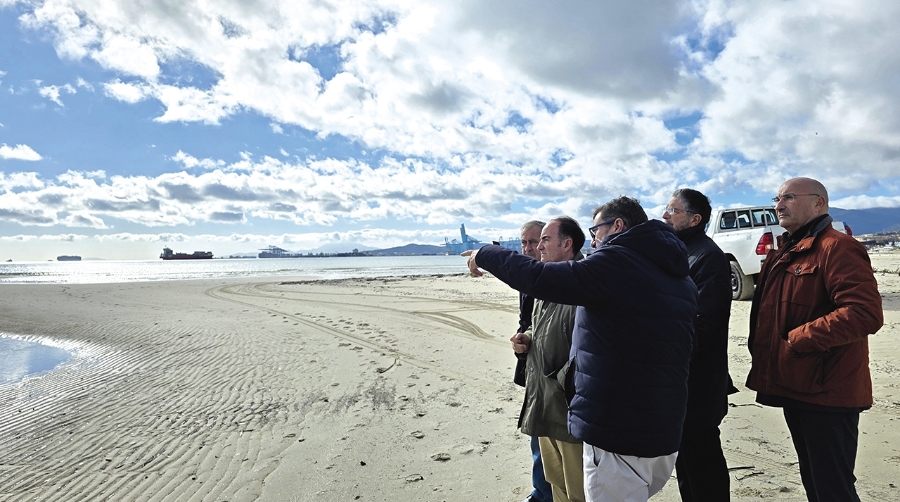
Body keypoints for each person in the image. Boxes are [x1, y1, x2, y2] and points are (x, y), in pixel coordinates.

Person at [466, 196, 697, 502]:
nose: (594, 241)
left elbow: (537, 277)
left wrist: (485, 254)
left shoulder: (619, 262)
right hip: (662, 426)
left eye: (595, 231)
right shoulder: (676, 276)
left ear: (617, 226)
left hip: (619, 428)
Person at [746, 177, 883, 502]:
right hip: (797, 384)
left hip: (827, 392)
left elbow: (864, 312)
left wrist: (797, 342)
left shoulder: (837, 247)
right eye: (777, 198)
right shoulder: (789, 250)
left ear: (819, 203)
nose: (779, 205)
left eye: (789, 197)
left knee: (832, 488)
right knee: (816, 484)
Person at [662, 189, 733, 502]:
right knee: (686, 463)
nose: (665, 215)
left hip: (699, 382)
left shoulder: (707, 257)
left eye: (673, 210)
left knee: (703, 463)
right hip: (678, 380)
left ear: (695, 219)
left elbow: (704, 326)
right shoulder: (679, 254)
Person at [513, 217, 585, 502]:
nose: (537, 247)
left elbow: (593, 344)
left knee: (578, 486)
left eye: (543, 240)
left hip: (569, 406)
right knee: (555, 480)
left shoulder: (583, 281)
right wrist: (528, 337)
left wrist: (562, 380)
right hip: (543, 398)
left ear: (567, 244)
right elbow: (539, 323)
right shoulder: (548, 278)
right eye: (530, 241)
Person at [514, 220, 554, 502]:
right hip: (533, 362)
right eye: (524, 243)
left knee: (549, 435)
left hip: (555, 369)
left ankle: (546, 494)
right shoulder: (527, 277)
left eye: (535, 241)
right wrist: (522, 339)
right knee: (536, 431)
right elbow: (528, 320)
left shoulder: (557, 275)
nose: (529, 248)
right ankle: (541, 492)